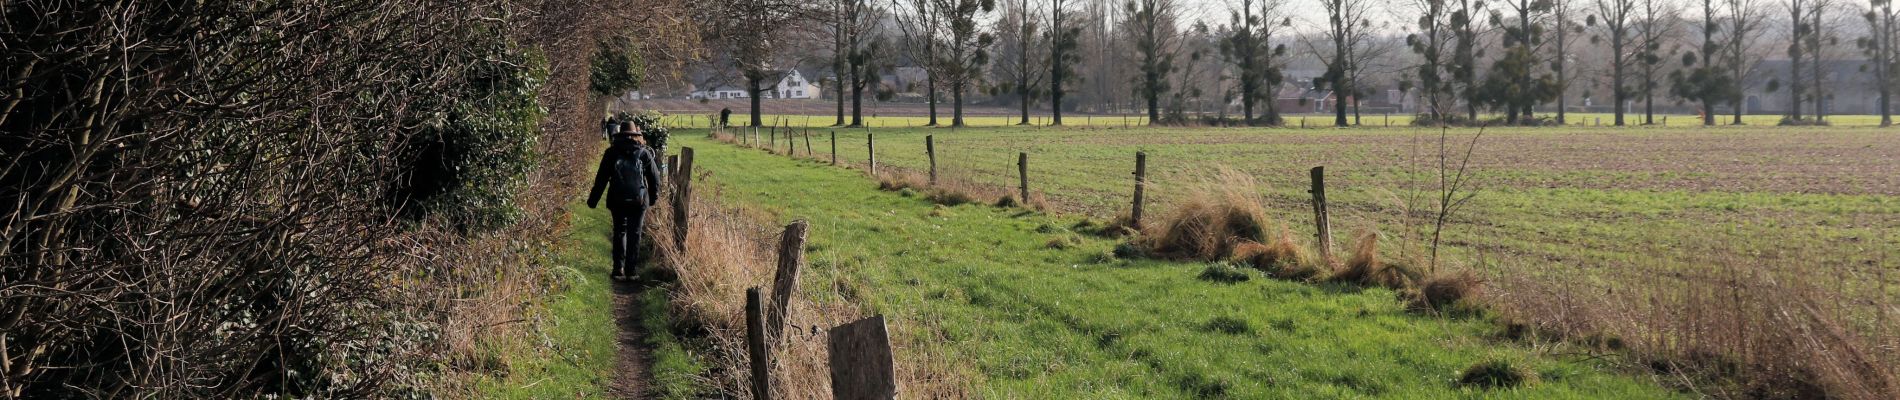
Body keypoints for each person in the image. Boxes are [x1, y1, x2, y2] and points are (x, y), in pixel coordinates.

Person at [588, 121, 662, 281]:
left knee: (619, 231)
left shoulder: (611, 153)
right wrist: (653, 198)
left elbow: (601, 179)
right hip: (639, 199)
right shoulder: (644, 153)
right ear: (637, 135)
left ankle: (618, 269)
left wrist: (593, 200)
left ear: (619, 135)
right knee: (635, 233)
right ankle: (631, 271)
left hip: (617, 198)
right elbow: (655, 179)